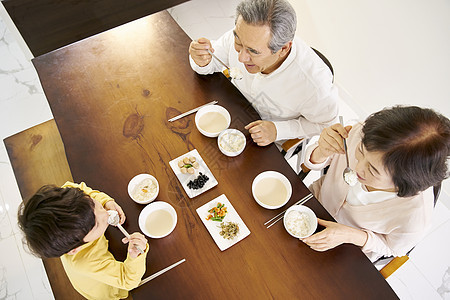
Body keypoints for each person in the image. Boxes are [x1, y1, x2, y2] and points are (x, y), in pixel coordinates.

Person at [301, 106, 450, 261]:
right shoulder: (363, 135)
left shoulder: (416, 217)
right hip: (310, 205)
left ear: (402, 183)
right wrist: (322, 150)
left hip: (344, 251)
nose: (357, 167)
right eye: (360, 151)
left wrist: (351, 235)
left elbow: (392, 249)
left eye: (372, 170)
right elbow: (314, 162)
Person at [188, 0, 338, 148]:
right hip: (231, 111)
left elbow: (326, 123)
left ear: (283, 49)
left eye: (253, 51)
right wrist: (202, 60)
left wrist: (278, 130)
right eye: (239, 43)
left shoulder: (315, 85)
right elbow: (212, 62)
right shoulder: (247, 33)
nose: (241, 58)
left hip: (265, 140)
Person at [17, 182, 149, 299]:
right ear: (75, 249)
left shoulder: (70, 200)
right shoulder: (87, 262)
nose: (104, 213)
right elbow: (127, 281)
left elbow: (76, 187)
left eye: (92, 202)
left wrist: (105, 202)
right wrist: (134, 255)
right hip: (105, 290)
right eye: (96, 224)